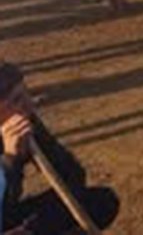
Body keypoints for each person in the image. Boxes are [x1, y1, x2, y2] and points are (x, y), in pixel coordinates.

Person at [0, 62, 119, 234]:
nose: (29, 103)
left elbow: (74, 177)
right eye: (16, 100)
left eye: (26, 93)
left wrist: (40, 138)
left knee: (100, 202)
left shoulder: (24, 122)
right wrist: (10, 161)